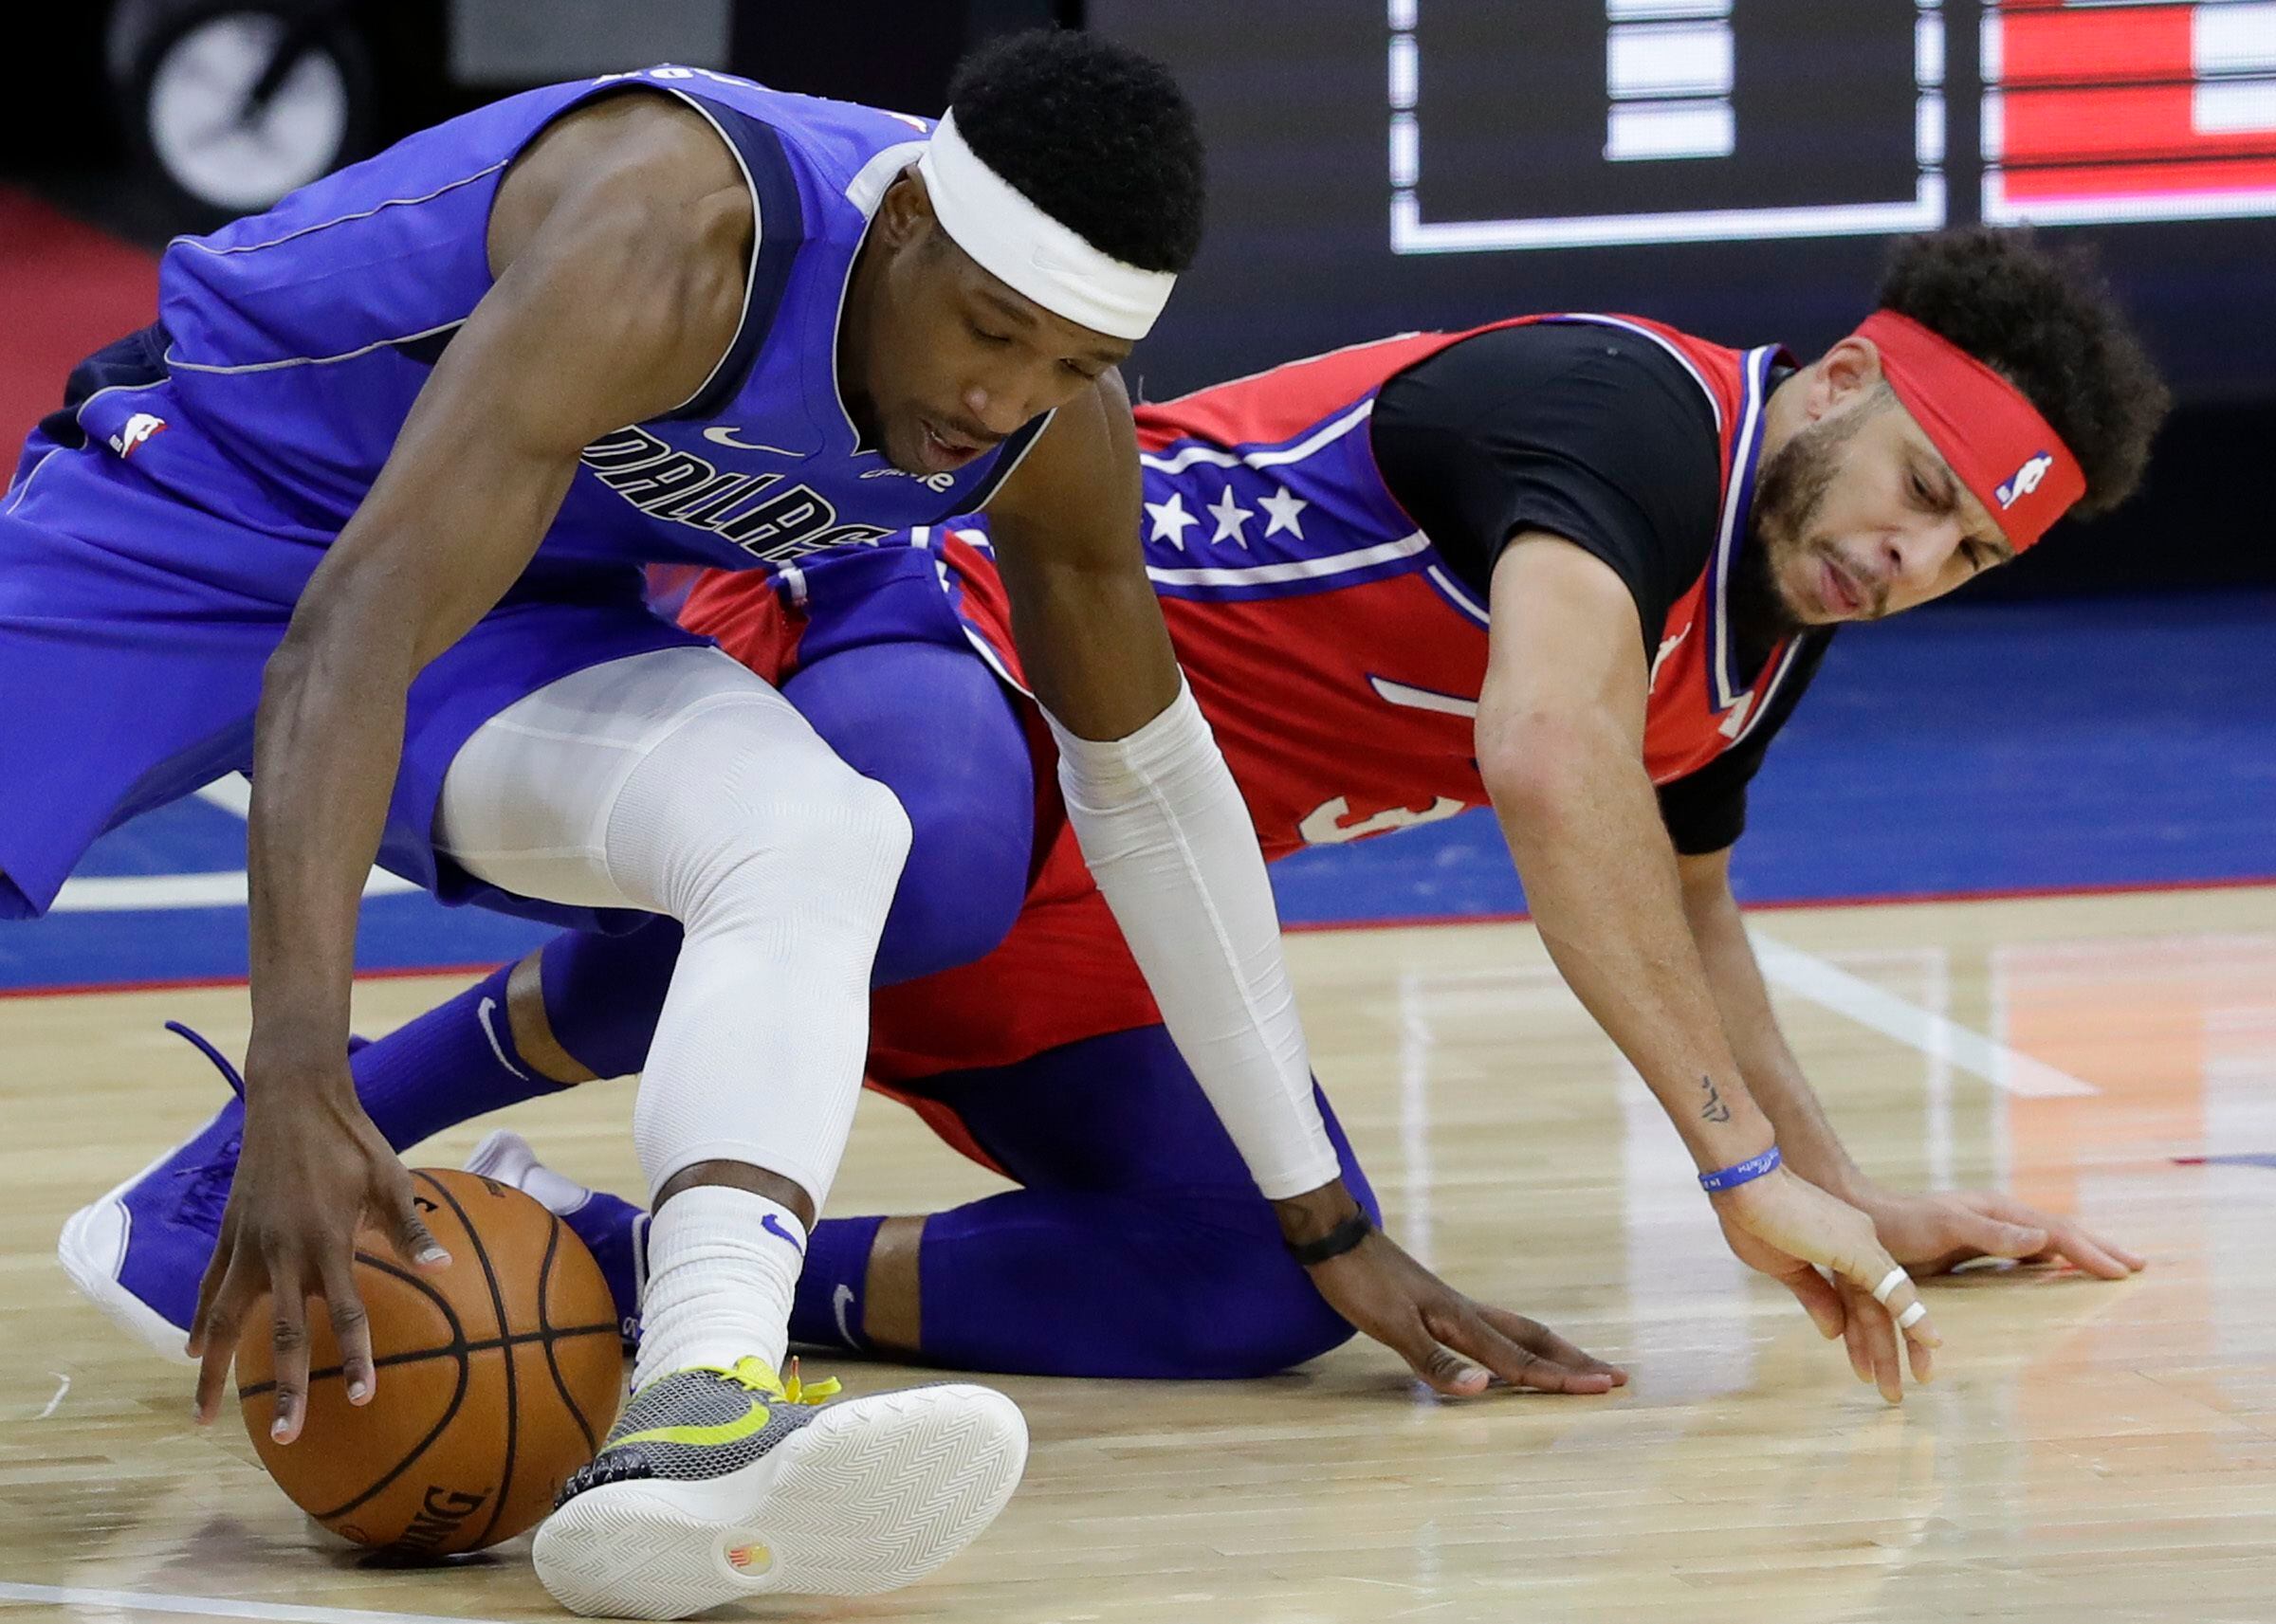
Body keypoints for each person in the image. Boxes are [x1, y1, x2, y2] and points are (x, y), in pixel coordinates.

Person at [72, 228, 2162, 1437]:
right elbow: (1549, 759)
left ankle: (565, 1269)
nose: (1915, 552)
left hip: (1128, 858)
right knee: (920, 850)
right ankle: (238, 1159)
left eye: (1969, 548)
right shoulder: (1633, 413)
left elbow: (1691, 907)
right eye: (1919, 483)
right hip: (940, 625)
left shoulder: (1763, 633)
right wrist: (1731, 1171)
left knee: (1255, 1295)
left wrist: (1848, 1189)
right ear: (1846, 382)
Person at [12, 31, 1537, 1618]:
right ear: (901, 228)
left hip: (509, 596)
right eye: (993, 331)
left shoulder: (1043, 416)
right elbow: (345, 634)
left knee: (821, 833)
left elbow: (1151, 789)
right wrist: (300, 1074)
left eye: (1071, 365)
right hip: (190, 511)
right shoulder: (671, 229)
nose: (1002, 398)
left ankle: (697, 1405)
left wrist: (1323, 1212)